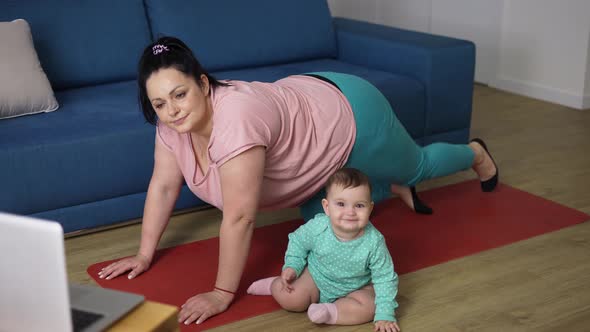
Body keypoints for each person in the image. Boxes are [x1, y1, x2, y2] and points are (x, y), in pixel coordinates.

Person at [97, 36, 498, 325]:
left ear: (203, 83)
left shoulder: (236, 120)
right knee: (319, 220)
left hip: (351, 115)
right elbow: (164, 185)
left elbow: (240, 218)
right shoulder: (170, 125)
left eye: (179, 94)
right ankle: (385, 184)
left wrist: (221, 294)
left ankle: (474, 153)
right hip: (309, 118)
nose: (172, 110)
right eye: (159, 103)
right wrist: (144, 254)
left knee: (416, 167)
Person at [247, 168, 401, 331]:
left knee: (370, 307)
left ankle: (329, 313)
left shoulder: (374, 242)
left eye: (359, 206)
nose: (350, 212)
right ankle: (274, 284)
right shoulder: (318, 227)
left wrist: (385, 314)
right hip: (316, 278)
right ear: (327, 207)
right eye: (341, 204)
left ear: (369, 209)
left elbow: (385, 278)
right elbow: (298, 241)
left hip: (357, 287)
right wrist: (292, 266)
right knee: (292, 298)